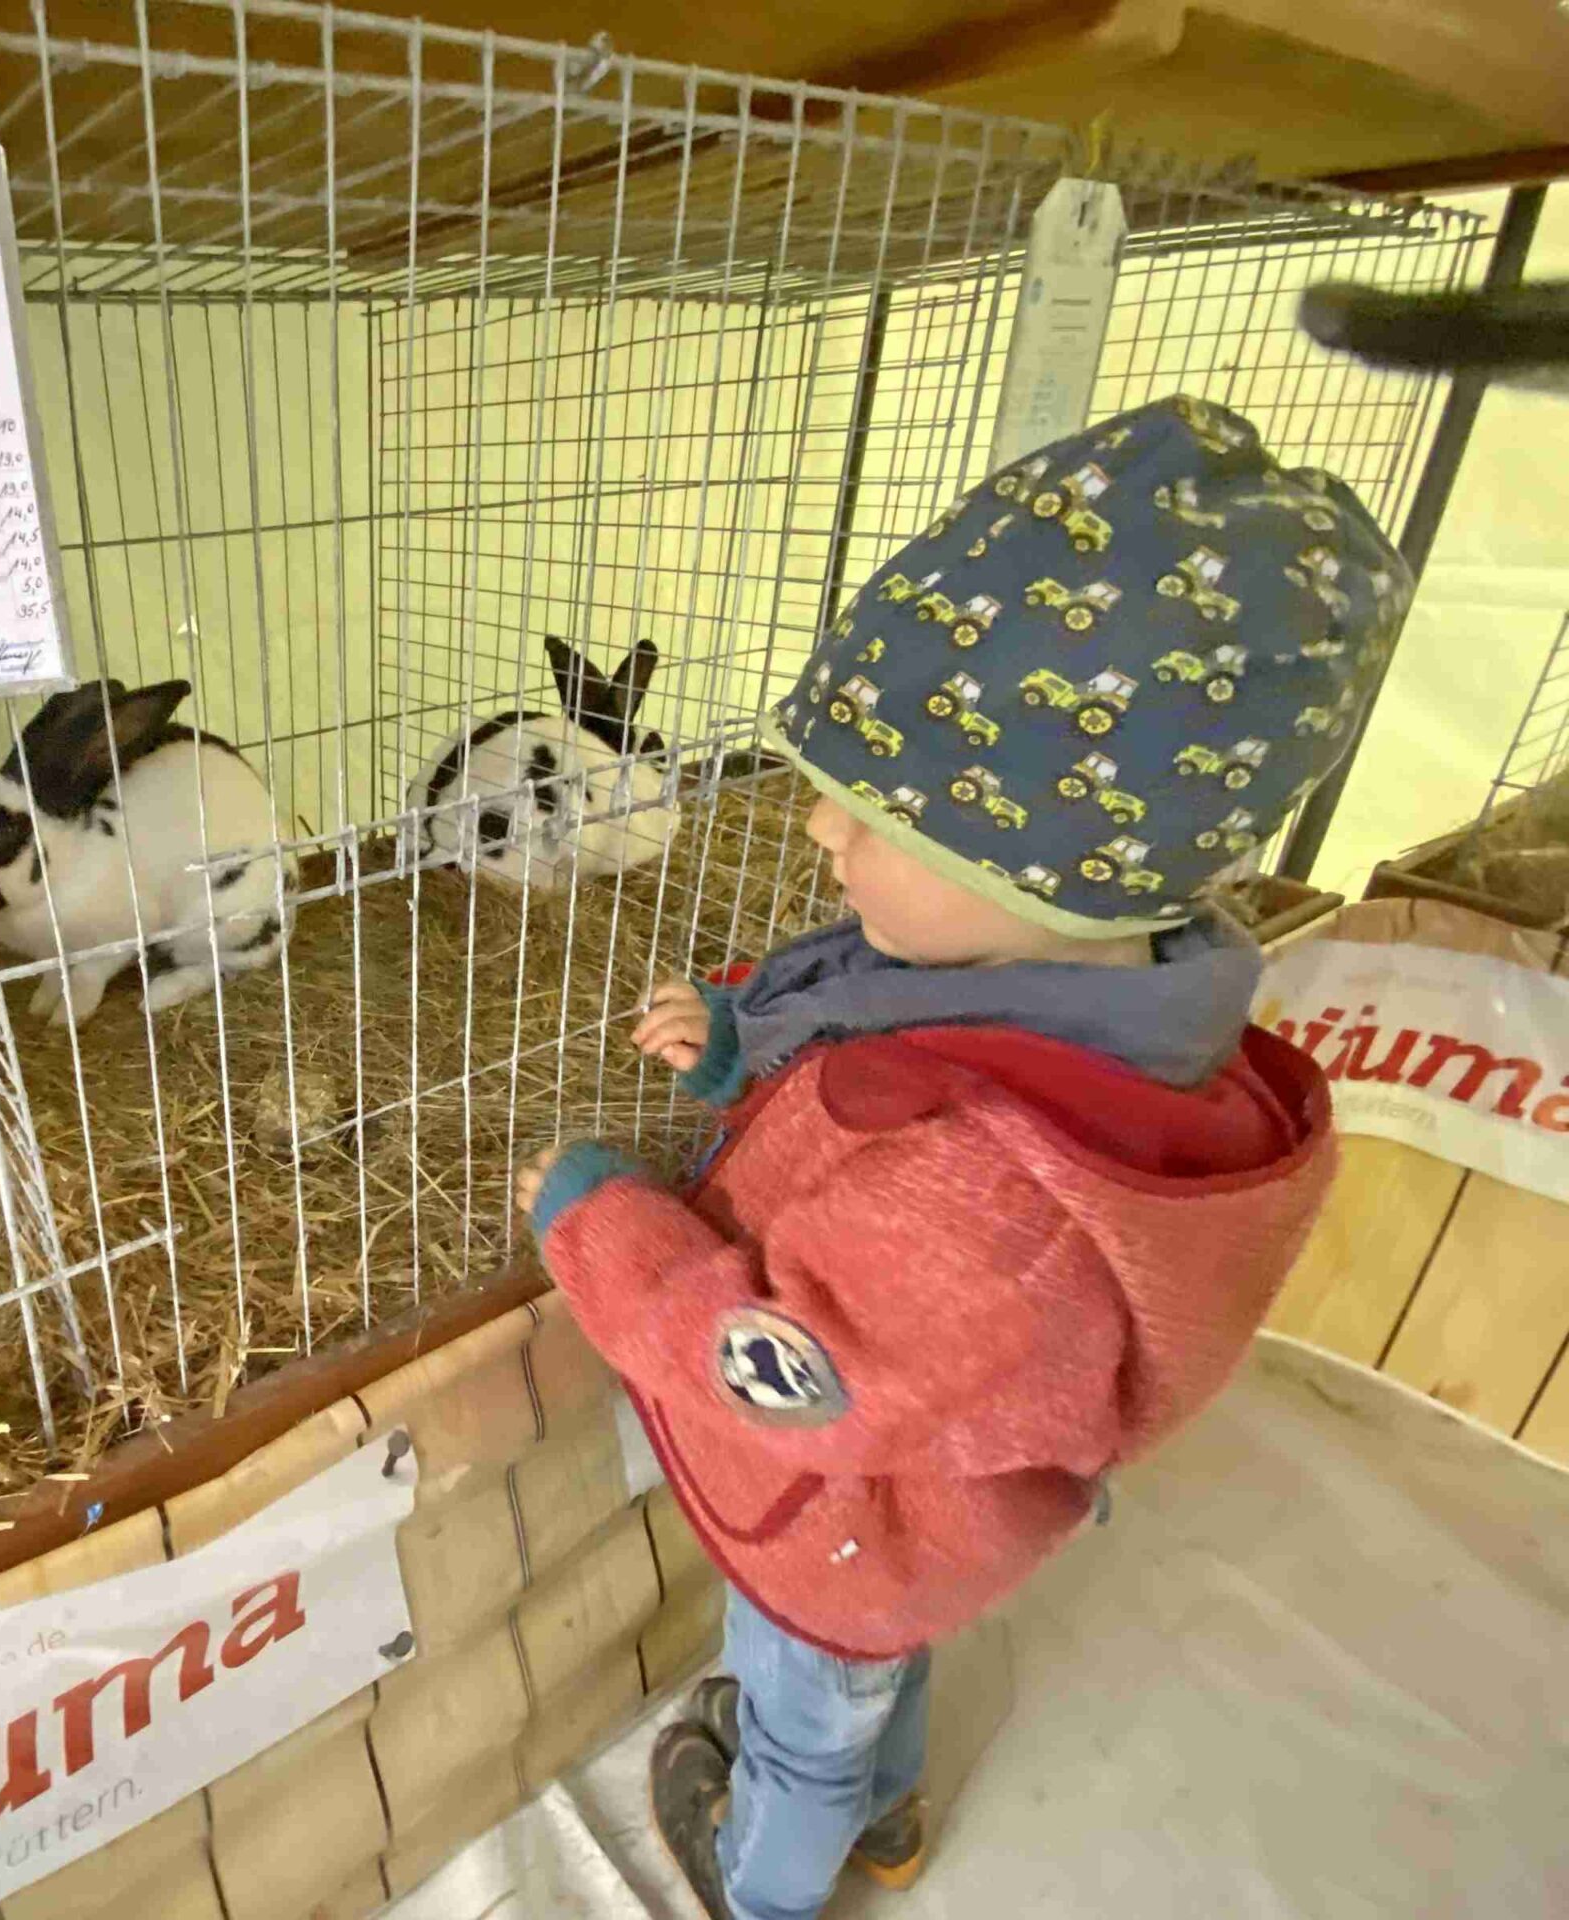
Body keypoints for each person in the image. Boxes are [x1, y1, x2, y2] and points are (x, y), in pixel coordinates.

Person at [512, 394, 1412, 1920]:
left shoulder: (1006, 1208)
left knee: (806, 1709)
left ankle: (765, 1880)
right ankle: (891, 1811)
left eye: (876, 816)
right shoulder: (1079, 983)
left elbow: (786, 1370)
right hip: (919, 1530)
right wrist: (741, 1047)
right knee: (878, 1663)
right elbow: (874, 1053)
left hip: (847, 1520)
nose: (819, 832)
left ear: (1039, 864)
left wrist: (600, 1222)